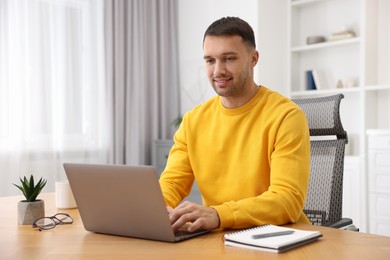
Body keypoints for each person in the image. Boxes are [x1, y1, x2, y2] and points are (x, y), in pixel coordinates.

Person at [159, 17, 311, 233]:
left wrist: (219, 214)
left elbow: (287, 200)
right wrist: (157, 208)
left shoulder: (286, 116)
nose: (218, 70)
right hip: (219, 239)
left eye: (229, 58)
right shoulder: (193, 120)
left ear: (253, 58)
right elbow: (172, 184)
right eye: (210, 61)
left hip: (277, 239)